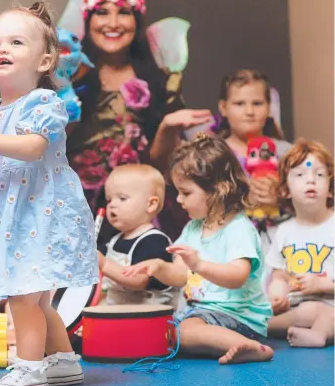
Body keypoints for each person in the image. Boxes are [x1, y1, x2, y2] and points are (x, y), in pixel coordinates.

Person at [0, 0, 98, 386]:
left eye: (16, 42)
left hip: (40, 215)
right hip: (9, 217)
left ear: (45, 59)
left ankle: (29, 368)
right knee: (40, 298)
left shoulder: (45, 103)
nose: (1, 49)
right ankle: (63, 362)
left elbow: (33, 148)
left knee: (23, 298)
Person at [66, 0, 212, 242]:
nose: (112, 23)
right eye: (102, 13)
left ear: (137, 21)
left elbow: (159, 165)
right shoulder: (68, 77)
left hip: (139, 208)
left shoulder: (159, 80)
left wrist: (168, 126)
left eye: (124, 12)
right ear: (88, 20)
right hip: (75, 205)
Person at [124, 135, 274, 364]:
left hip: (239, 316)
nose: (179, 199)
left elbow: (238, 277)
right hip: (204, 314)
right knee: (165, 331)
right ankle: (225, 343)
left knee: (183, 333)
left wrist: (200, 265)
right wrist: (158, 267)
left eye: (186, 192)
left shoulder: (239, 229)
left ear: (218, 189)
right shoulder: (193, 228)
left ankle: (248, 346)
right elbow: (179, 275)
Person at [214, 69, 292, 251]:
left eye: (257, 103)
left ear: (269, 106)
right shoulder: (214, 154)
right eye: (239, 103)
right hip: (229, 246)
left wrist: (281, 198)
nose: (249, 112)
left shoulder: (287, 152)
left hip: (279, 244)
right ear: (223, 108)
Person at [266, 140, 334, 347]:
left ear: (331, 189)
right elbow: (279, 274)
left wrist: (324, 285)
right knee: (262, 316)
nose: (311, 180)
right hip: (296, 310)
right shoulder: (284, 231)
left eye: (320, 175)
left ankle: (318, 335)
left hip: (331, 305)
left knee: (323, 313)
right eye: (300, 175)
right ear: (285, 190)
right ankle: (262, 326)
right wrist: (277, 295)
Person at [97, 164, 175, 306]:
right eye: (109, 199)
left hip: (146, 315)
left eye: (122, 198)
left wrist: (103, 264)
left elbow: (138, 281)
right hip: (118, 309)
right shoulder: (114, 240)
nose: (112, 205)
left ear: (151, 204)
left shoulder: (154, 241)